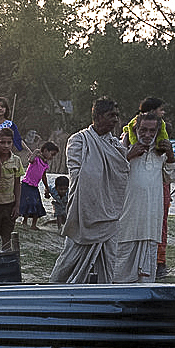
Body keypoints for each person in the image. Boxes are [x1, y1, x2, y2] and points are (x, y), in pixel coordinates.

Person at [49, 98, 129, 284]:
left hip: (109, 214)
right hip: (85, 211)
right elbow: (81, 175)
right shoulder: (78, 140)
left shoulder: (115, 145)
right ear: (98, 117)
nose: (116, 120)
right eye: (111, 116)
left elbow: (120, 174)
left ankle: (103, 295)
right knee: (70, 259)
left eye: (117, 116)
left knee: (108, 261)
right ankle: (54, 289)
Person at [115, 113, 175, 283]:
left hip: (151, 222)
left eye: (152, 130)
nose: (147, 134)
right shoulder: (121, 149)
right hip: (127, 222)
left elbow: (171, 177)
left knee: (146, 276)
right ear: (135, 130)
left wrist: (170, 155)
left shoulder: (161, 154)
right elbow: (112, 174)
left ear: (158, 131)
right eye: (143, 130)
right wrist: (128, 155)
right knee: (119, 272)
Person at [0, 128, 23, 251]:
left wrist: (17, 205)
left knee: (6, 236)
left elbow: (17, 184)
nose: (6, 146)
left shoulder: (16, 160)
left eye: (9, 142)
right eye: (2, 142)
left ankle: (5, 261)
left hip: (9, 204)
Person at [20, 142, 58, 229]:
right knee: (28, 203)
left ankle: (34, 224)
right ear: (45, 151)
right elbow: (30, 160)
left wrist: (46, 187)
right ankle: (24, 222)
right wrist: (36, 151)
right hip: (27, 184)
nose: (52, 157)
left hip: (35, 186)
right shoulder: (36, 159)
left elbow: (43, 176)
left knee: (37, 204)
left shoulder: (45, 164)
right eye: (52, 154)